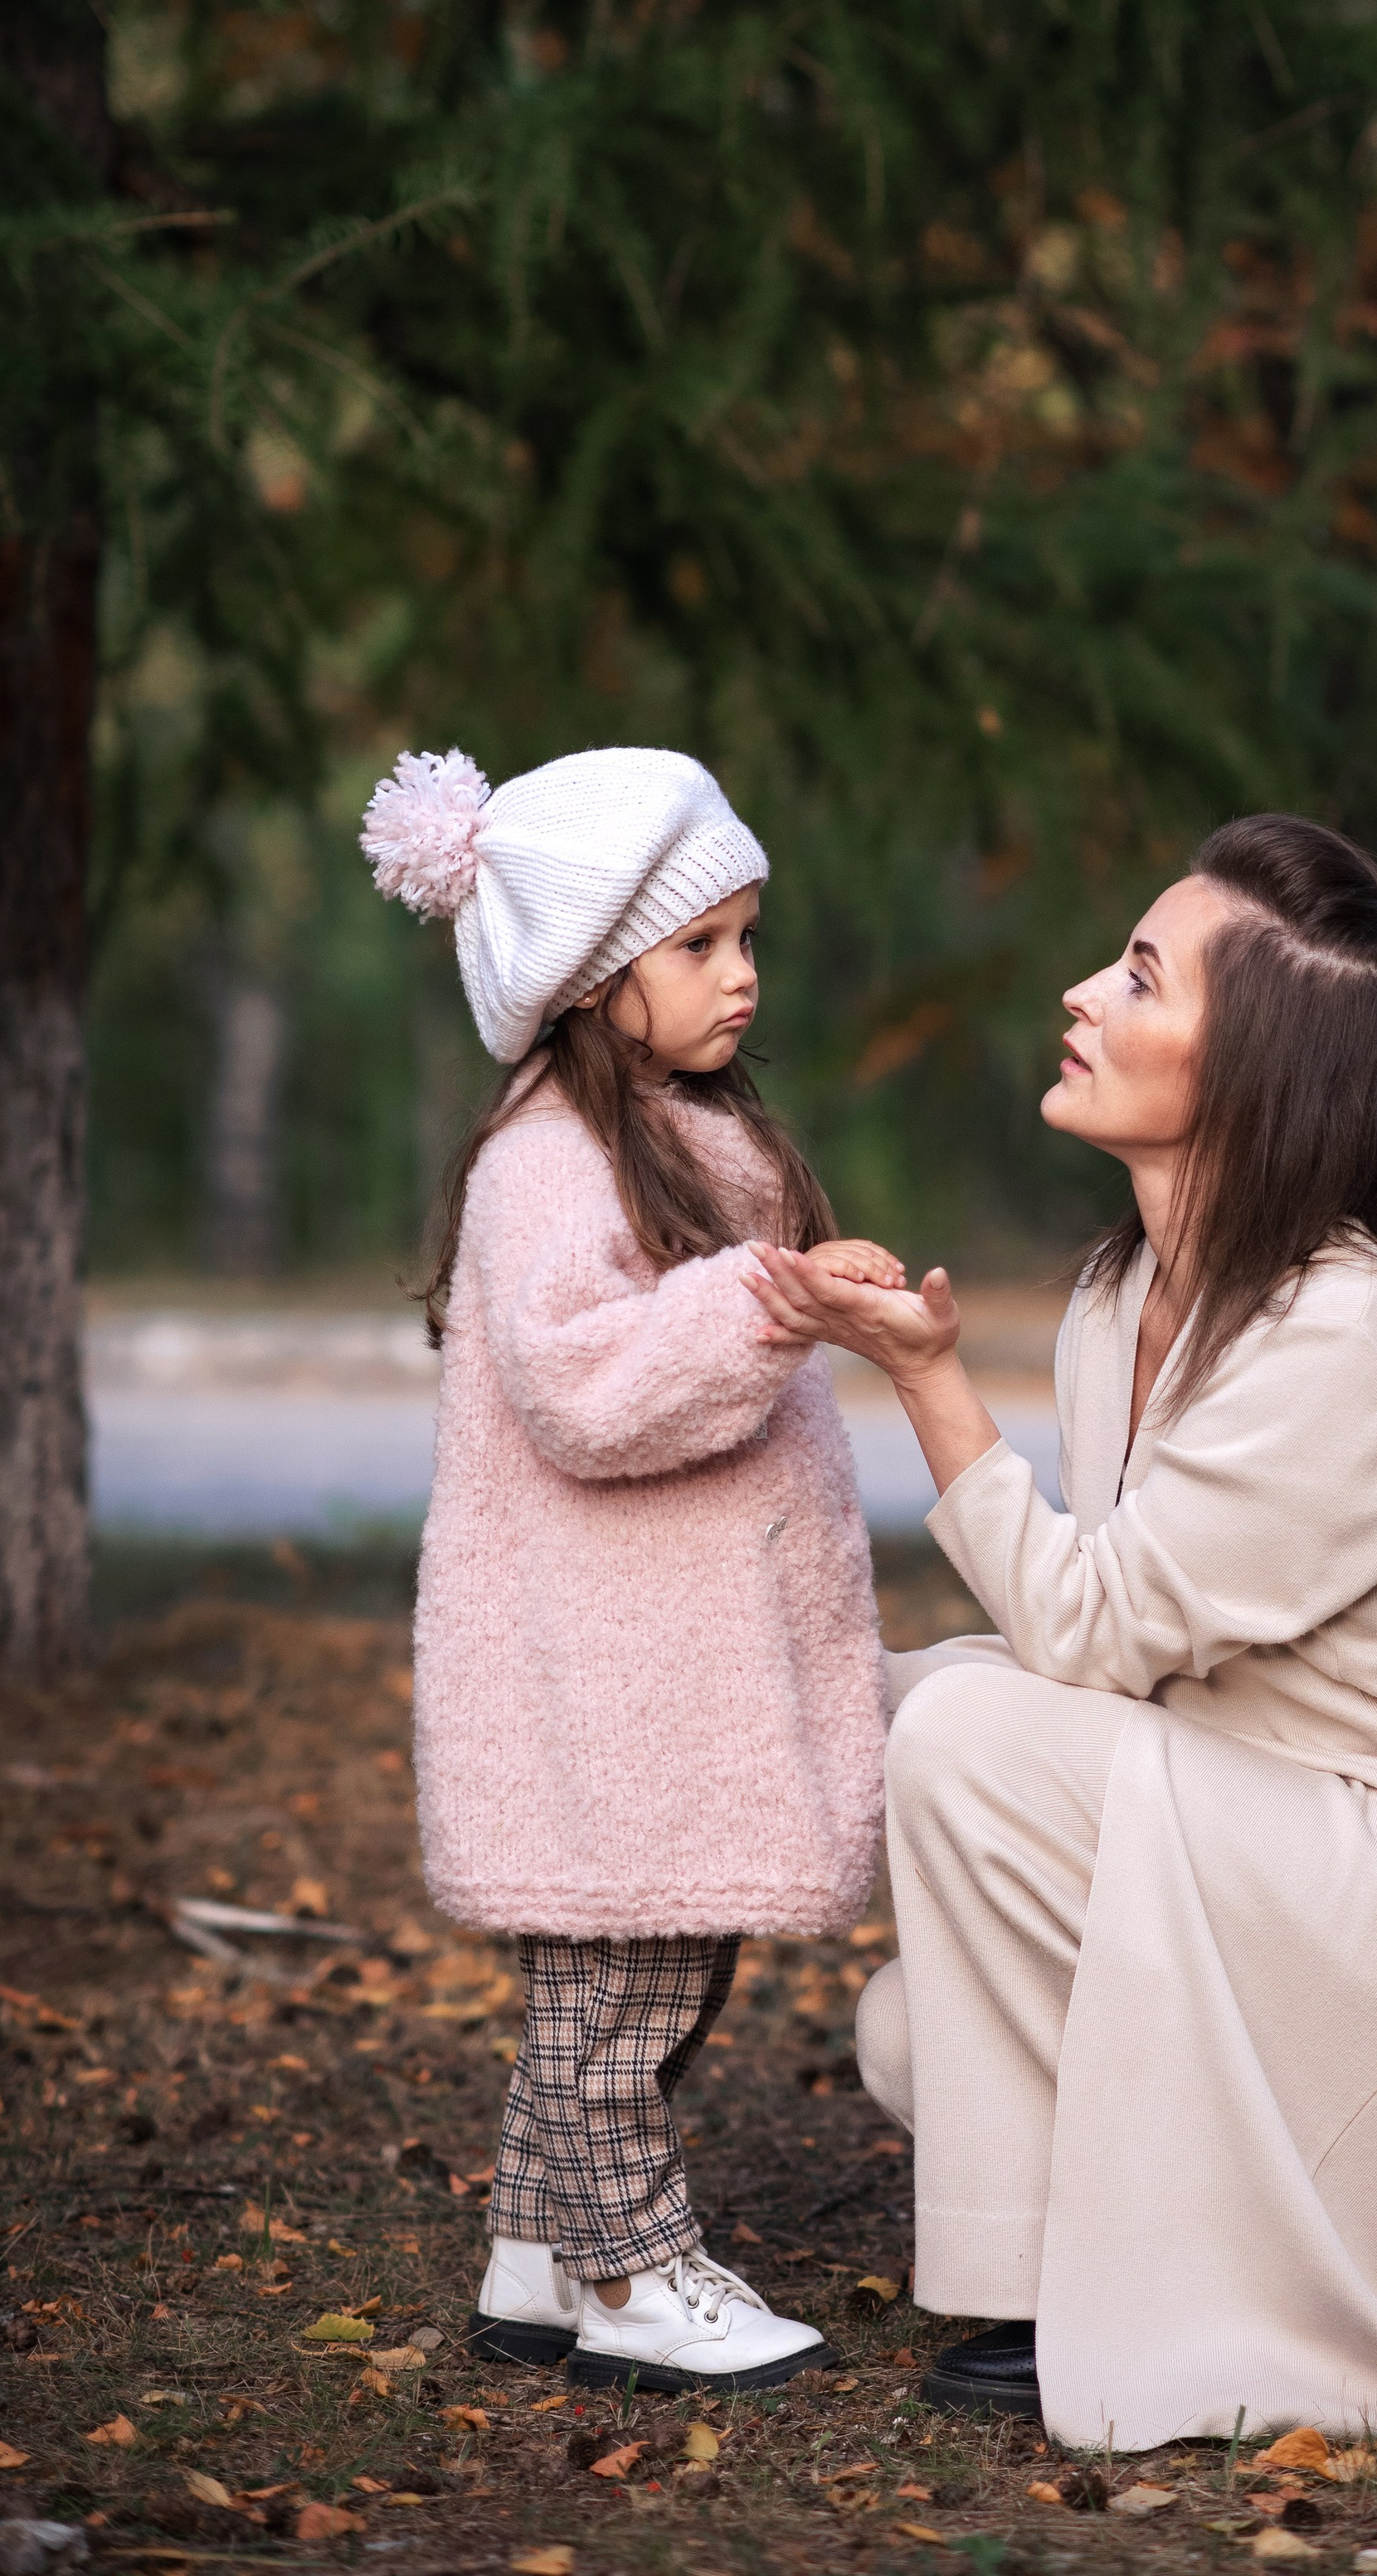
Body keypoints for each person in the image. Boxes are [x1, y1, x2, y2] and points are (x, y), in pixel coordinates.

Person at [747, 813, 1377, 2447]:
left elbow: (1080, 1636)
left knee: (955, 1730)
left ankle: (1037, 2302)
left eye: (1139, 976)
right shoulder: (1115, 1300)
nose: (1082, 992)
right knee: (910, 2023)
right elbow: (1132, 1658)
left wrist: (926, 1382)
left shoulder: (1352, 1338)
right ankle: (1195, 2241)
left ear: (1253, 1071)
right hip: (1291, 1825)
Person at [362, 742, 893, 2397]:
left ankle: (535, 2248)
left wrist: (799, 1288)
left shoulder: (679, 1134)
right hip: (606, 1690)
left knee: (656, 1974)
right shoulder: (545, 1162)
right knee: (618, 2001)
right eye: (698, 947)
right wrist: (760, 1301)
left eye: (747, 938)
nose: (741, 976)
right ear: (593, 980)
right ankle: (631, 2270)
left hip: (685, 1679)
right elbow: (582, 1387)